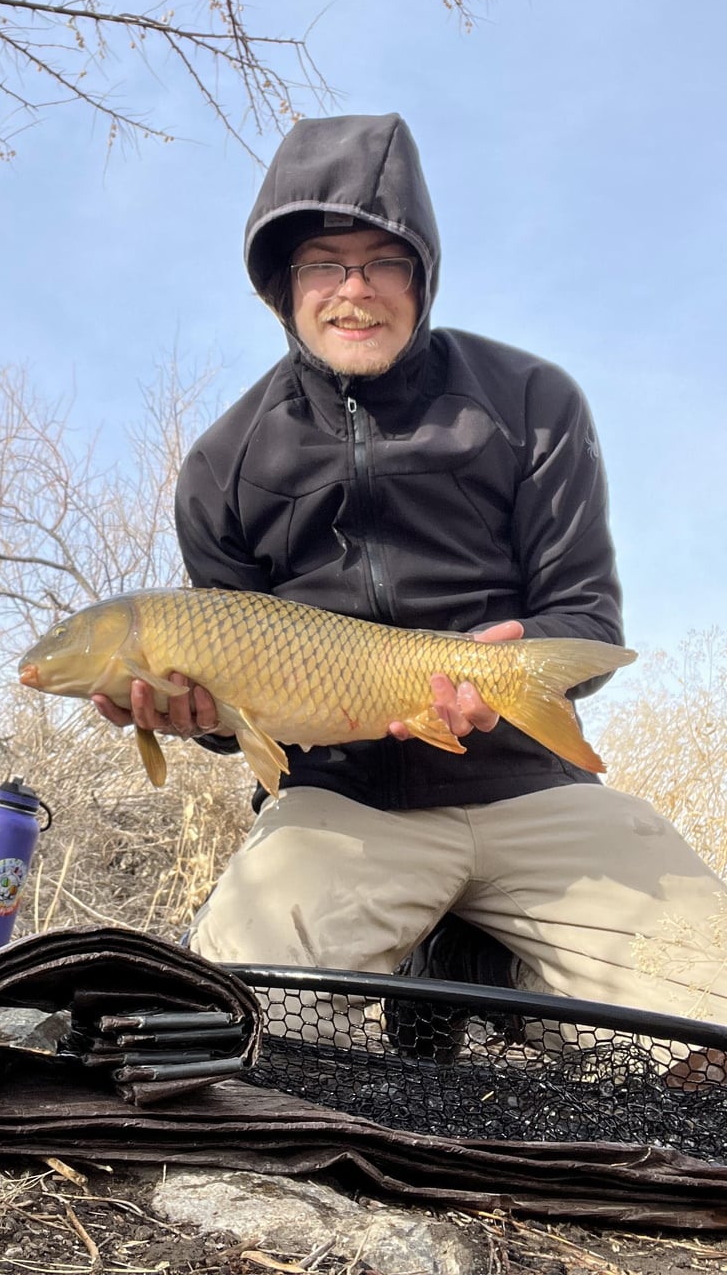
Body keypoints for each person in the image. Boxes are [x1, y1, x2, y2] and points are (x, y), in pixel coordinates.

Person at [93, 113, 727, 1027]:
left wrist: (502, 674)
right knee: (239, 1028)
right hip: (340, 803)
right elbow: (240, 724)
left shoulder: (531, 402)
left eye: (385, 261)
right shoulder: (222, 464)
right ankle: (454, 959)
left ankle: (478, 960)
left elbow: (586, 621)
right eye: (323, 263)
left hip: (530, 787)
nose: (355, 291)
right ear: (282, 285)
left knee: (709, 1025)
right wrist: (201, 721)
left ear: (422, 275)